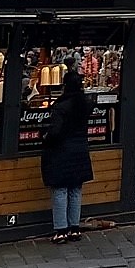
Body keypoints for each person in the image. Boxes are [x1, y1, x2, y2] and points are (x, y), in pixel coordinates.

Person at [41, 68, 93, 243]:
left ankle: (61, 230)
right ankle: (74, 228)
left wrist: (45, 138)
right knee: (76, 189)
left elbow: (55, 132)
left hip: (61, 151)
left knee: (60, 189)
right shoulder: (85, 104)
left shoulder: (61, 106)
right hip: (80, 150)